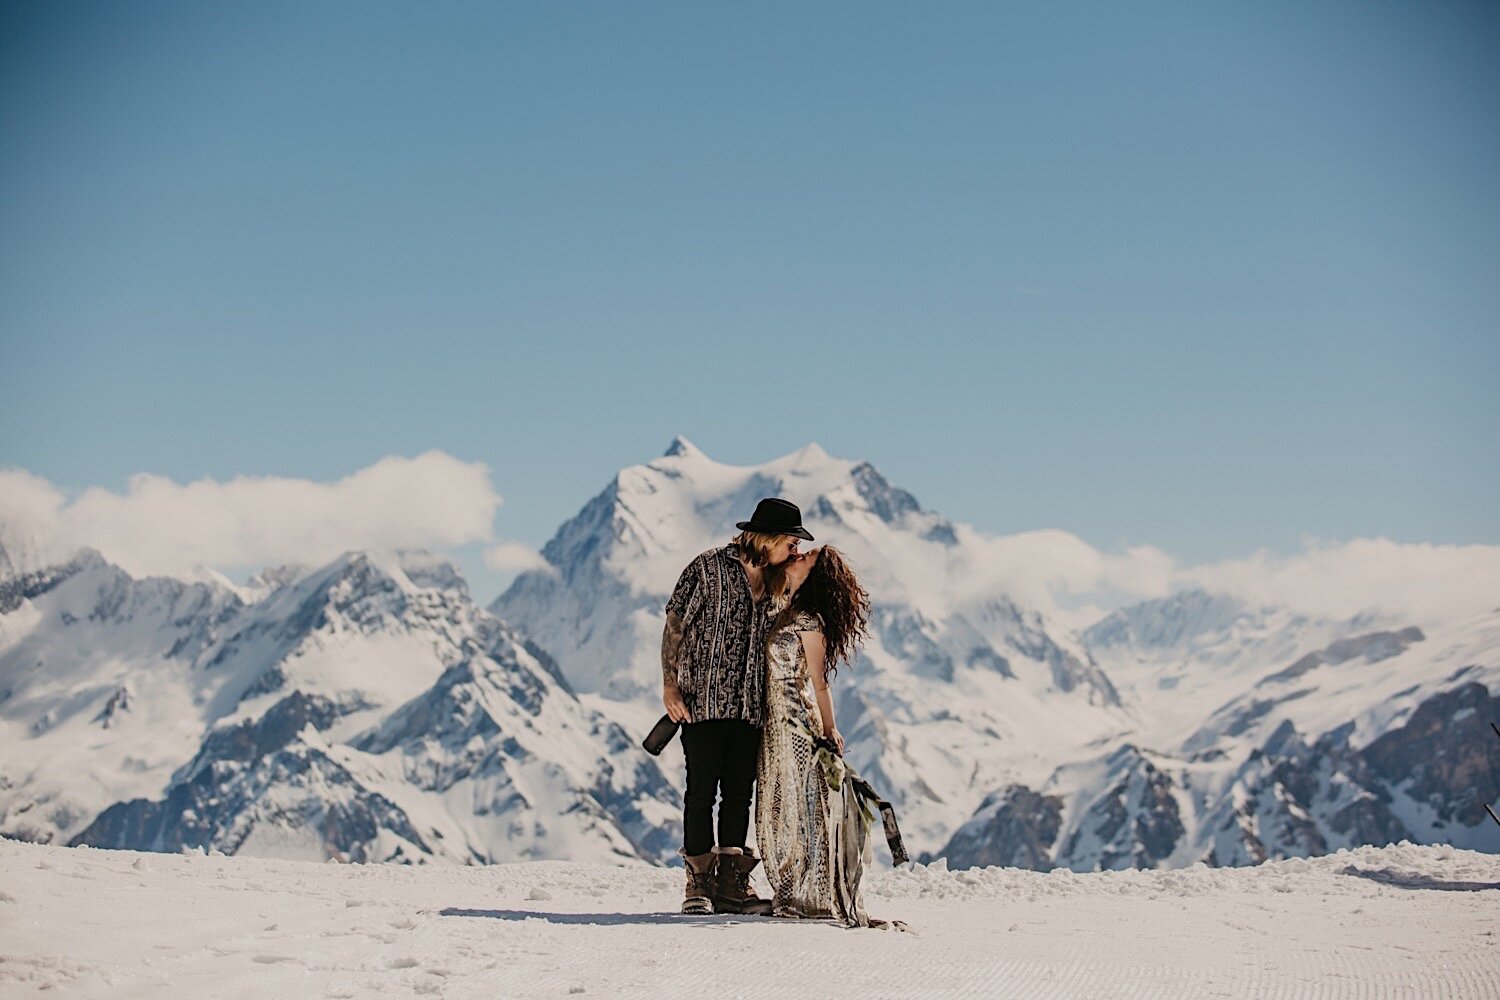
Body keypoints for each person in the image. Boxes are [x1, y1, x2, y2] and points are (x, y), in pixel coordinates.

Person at [661, 497, 813, 915]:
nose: (794, 551)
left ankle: (731, 884)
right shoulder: (707, 568)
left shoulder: (779, 583)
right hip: (702, 705)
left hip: (751, 709)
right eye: (790, 543)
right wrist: (669, 687)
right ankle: (697, 884)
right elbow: (675, 623)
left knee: (738, 797)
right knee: (700, 792)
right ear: (769, 539)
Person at [756, 544, 898, 928]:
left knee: (806, 804)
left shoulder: (809, 622)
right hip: (774, 723)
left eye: (808, 558)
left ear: (814, 575)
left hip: (797, 722)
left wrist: (830, 728)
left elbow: (818, 683)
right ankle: (792, 887)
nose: (799, 556)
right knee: (781, 801)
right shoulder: (783, 608)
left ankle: (815, 892)